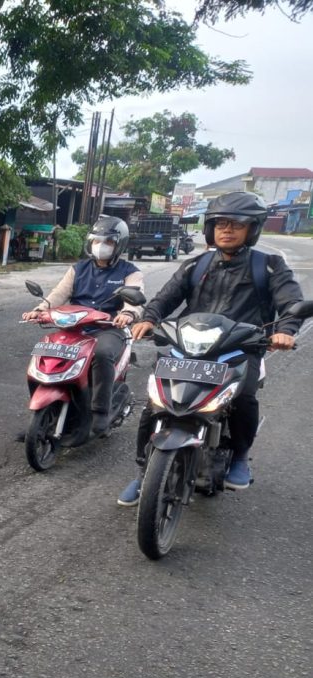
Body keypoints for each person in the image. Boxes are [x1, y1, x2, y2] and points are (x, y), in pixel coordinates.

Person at [117, 191, 304, 506]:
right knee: (156, 402)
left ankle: (241, 456)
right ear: (210, 228)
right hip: (189, 346)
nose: (226, 230)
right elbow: (167, 296)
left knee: (244, 396)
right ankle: (142, 473)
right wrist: (149, 319)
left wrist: (285, 330)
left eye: (236, 224)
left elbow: (291, 302)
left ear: (253, 228)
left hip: (239, 347)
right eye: (220, 223)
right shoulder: (197, 264)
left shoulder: (269, 266)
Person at [22, 215, 144, 437]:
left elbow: (134, 298)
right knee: (46, 350)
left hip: (108, 328)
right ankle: (44, 413)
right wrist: (40, 310)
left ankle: (100, 413)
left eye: (108, 242)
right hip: (75, 327)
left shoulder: (130, 271)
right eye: (97, 241)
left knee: (102, 354)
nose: (101, 246)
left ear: (119, 244)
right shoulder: (78, 268)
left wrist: (128, 313)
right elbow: (59, 294)